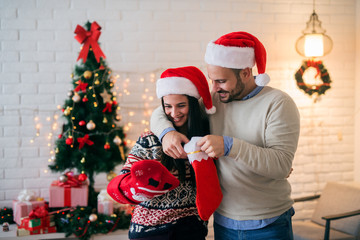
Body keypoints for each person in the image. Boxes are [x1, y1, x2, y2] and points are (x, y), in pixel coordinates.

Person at [150, 32, 300, 240]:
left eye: (221, 81)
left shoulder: (278, 103)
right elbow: (162, 110)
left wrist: (230, 146)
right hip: (223, 222)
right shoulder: (216, 100)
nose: (214, 88)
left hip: (269, 223)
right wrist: (167, 133)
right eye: (212, 80)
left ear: (246, 73)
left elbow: (282, 165)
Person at [107, 66, 220, 240]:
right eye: (168, 106)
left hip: (191, 230)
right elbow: (121, 183)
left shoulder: (205, 140)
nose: (174, 113)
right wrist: (139, 184)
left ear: (193, 105)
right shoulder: (149, 140)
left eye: (181, 106)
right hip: (150, 231)